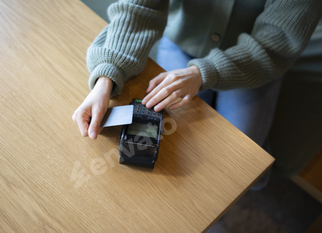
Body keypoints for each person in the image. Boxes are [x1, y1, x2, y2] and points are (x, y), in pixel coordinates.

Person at [72, 0, 322, 178]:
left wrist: (202, 73)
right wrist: (106, 77)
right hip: (184, 41)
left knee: (241, 162)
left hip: (255, 58)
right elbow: (138, 7)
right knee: (170, 129)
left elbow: (277, 41)